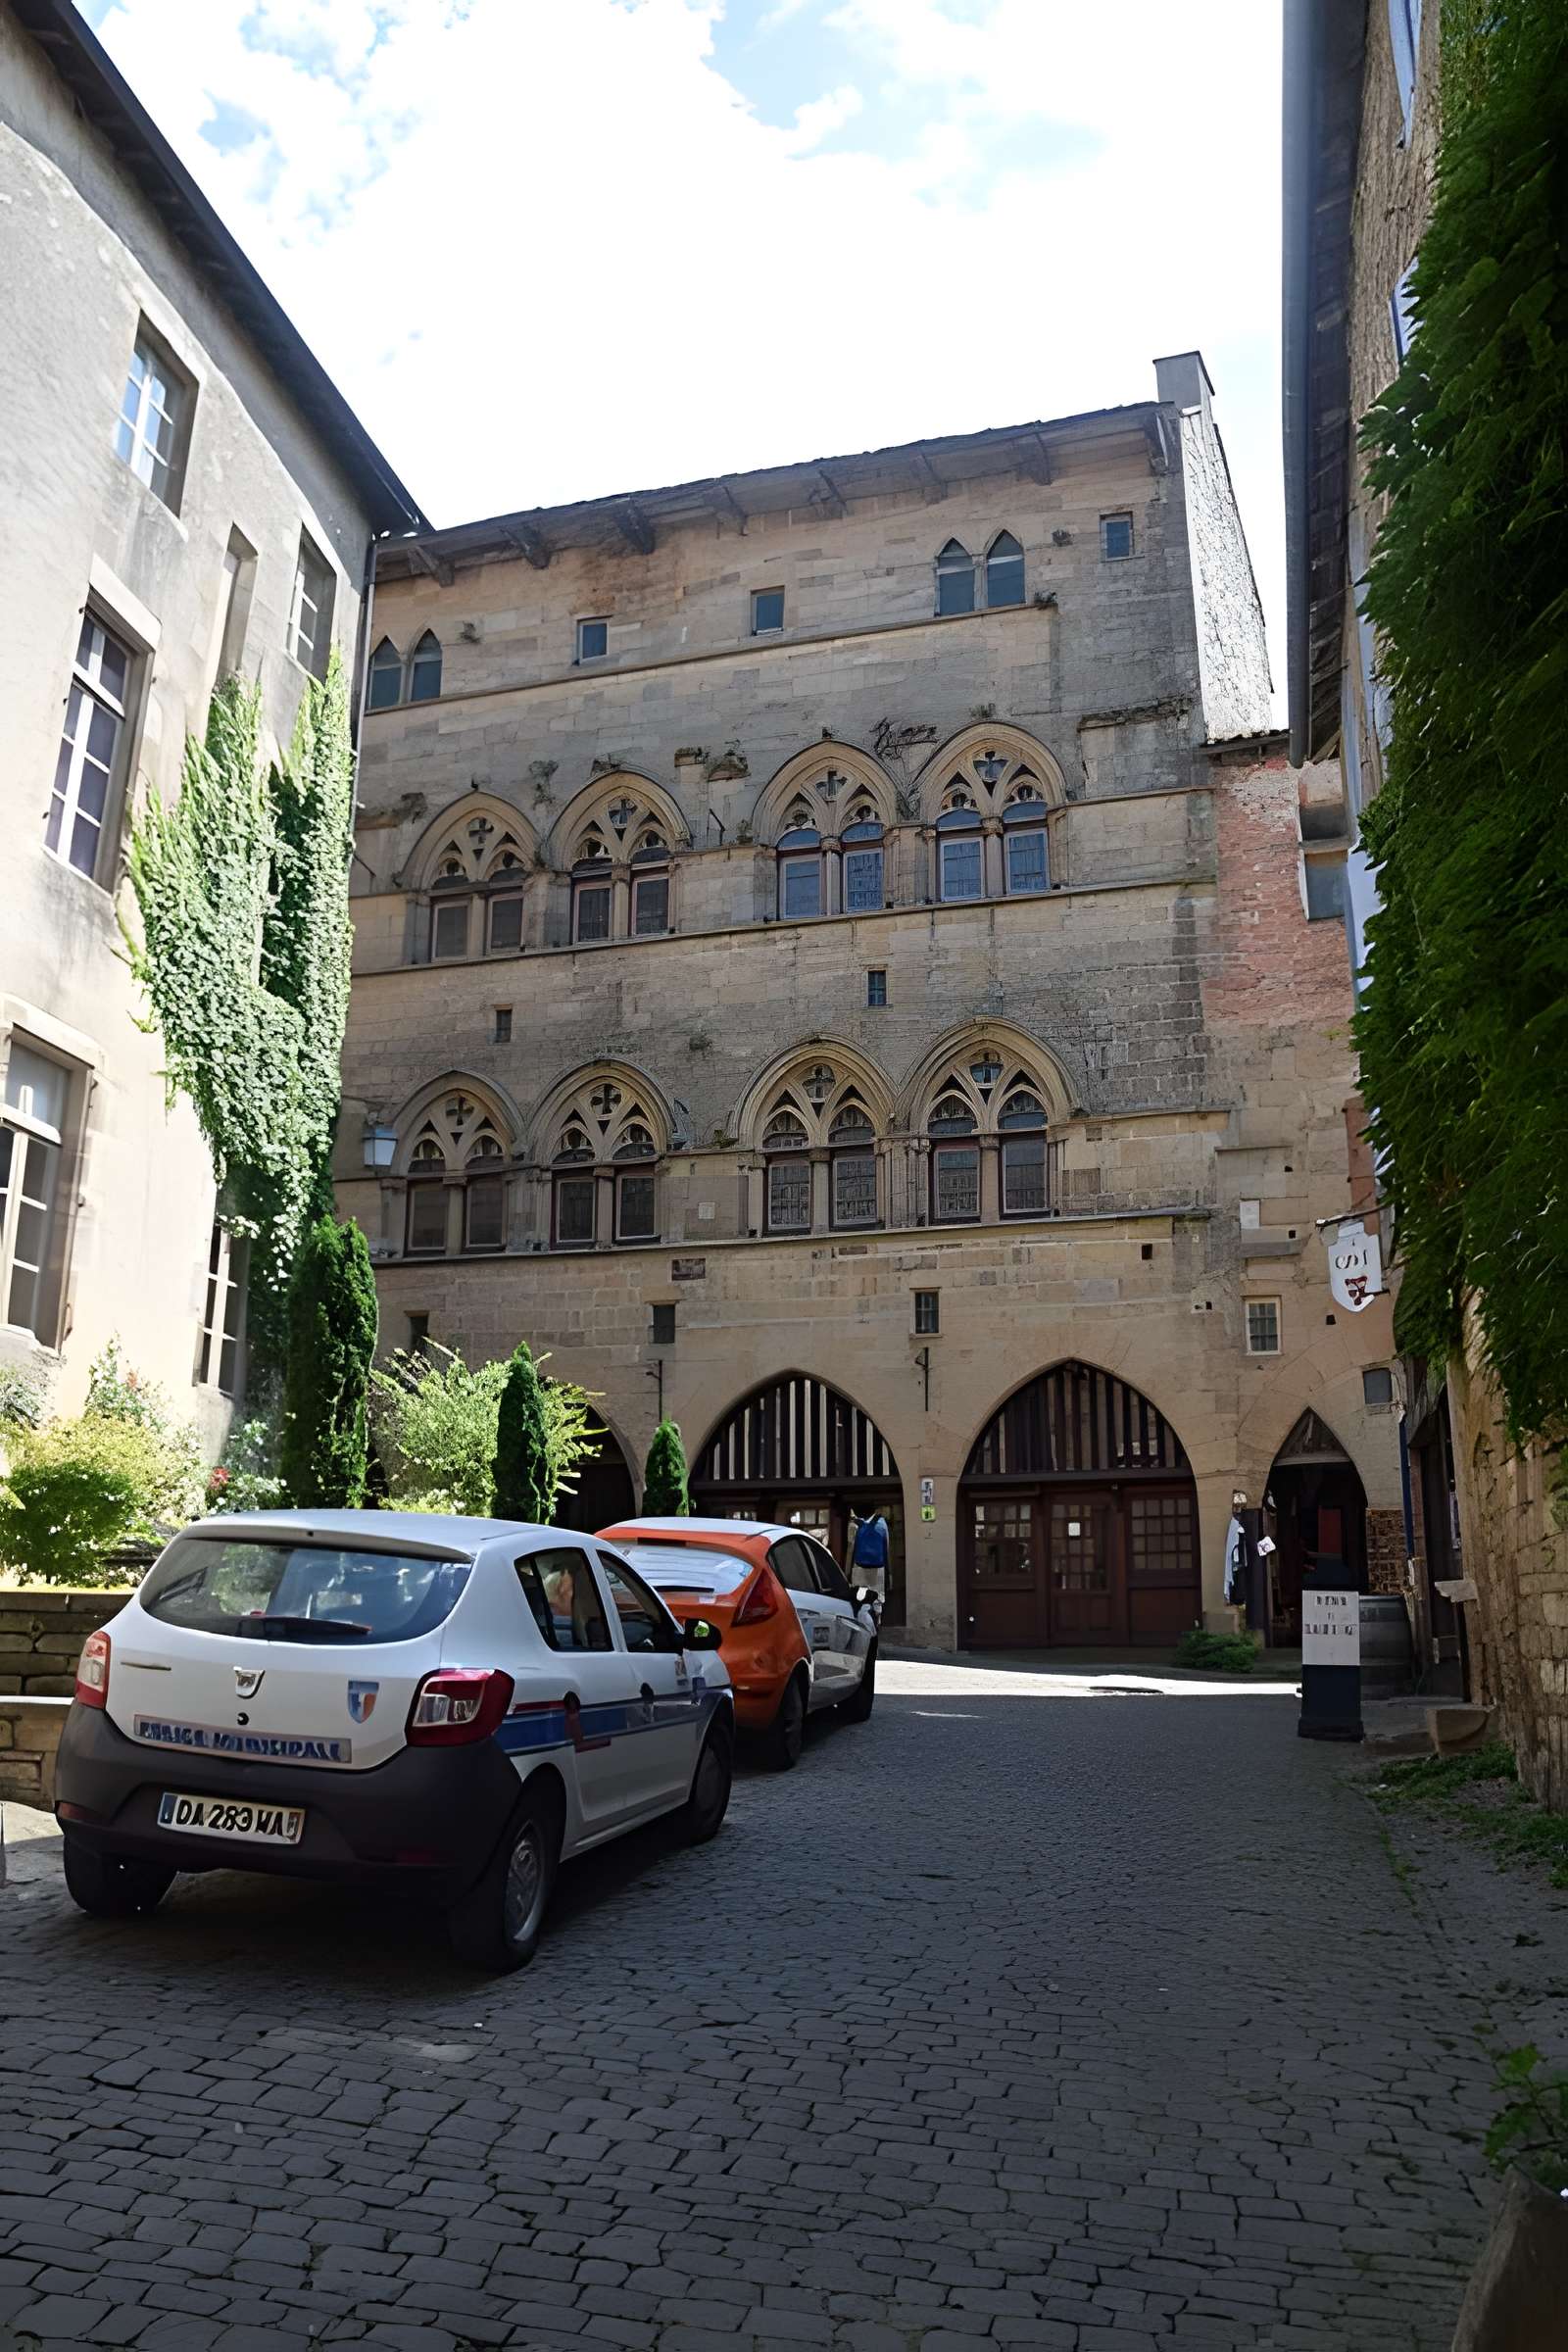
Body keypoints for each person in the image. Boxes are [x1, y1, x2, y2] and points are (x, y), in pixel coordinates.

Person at [850, 1504, 890, 1601]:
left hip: (859, 1565)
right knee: (878, 1597)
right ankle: (877, 1613)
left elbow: (852, 1547)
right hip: (878, 1567)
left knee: (859, 1597)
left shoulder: (857, 1525)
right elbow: (886, 1548)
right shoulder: (882, 1524)